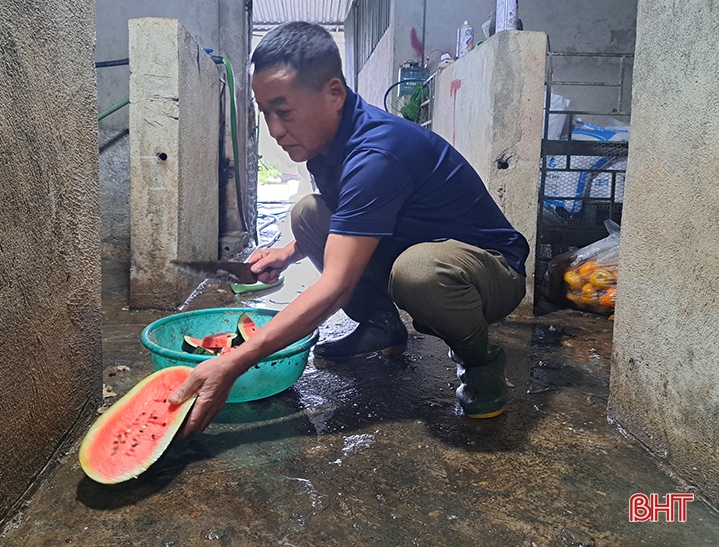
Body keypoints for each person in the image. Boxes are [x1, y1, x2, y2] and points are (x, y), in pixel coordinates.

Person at [169, 22, 528, 435]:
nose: (274, 130)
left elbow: (337, 284)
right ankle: (379, 326)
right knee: (308, 213)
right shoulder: (325, 147)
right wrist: (287, 254)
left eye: (283, 111)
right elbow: (348, 218)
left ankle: (480, 362)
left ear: (334, 93)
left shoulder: (378, 153)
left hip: (488, 271)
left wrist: (236, 359)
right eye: (264, 112)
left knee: (419, 273)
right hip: (412, 248)